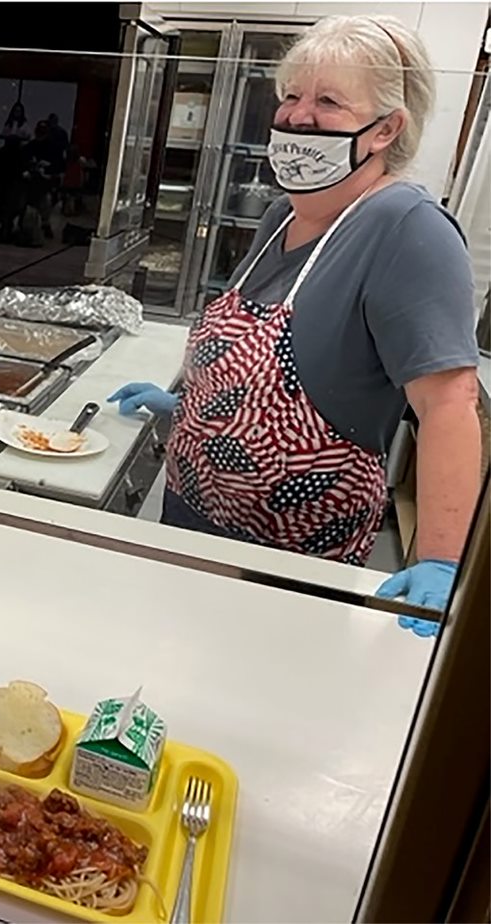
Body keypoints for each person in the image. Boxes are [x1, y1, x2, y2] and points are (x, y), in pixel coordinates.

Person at [109, 15, 481, 636]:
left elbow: (449, 402)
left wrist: (443, 558)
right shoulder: (281, 216)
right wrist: (189, 407)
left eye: (329, 101)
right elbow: (282, 370)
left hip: (291, 562)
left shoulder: (405, 227)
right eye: (291, 96)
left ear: (386, 128)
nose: (298, 117)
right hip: (193, 523)